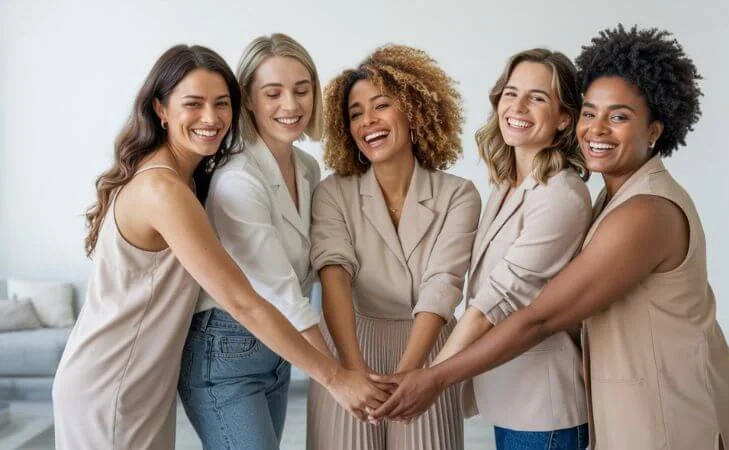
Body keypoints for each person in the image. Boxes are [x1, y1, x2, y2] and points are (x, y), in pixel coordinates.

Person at [372, 25, 729, 450]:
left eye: (620, 116)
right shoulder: (609, 199)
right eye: (591, 113)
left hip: (672, 407)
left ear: (654, 131)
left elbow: (542, 316)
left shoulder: (645, 213)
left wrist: (434, 377)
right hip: (625, 400)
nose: (597, 128)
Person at [52, 44, 388, 450]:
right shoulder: (164, 190)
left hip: (146, 374)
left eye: (221, 103)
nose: (211, 118)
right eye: (193, 104)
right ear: (161, 109)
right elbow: (242, 301)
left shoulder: (190, 179)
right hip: (111, 377)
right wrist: (335, 377)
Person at [306, 44, 480, 450]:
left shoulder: (459, 195)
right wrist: (352, 370)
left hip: (429, 349)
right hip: (350, 340)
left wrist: (409, 374)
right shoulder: (333, 193)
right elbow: (334, 277)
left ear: (414, 110)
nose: (368, 121)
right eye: (355, 113)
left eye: (381, 105)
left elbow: (442, 285)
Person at [176, 33, 333, 450]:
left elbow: (312, 266)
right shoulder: (238, 178)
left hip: (278, 346)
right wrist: (337, 375)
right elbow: (281, 292)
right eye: (274, 93)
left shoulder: (307, 167)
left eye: (302, 90)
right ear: (247, 98)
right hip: (227, 349)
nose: (291, 105)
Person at [429, 48, 591, 450]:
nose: (517, 106)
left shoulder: (561, 196)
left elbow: (493, 301)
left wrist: (430, 378)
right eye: (510, 93)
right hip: (510, 395)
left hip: (543, 406)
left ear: (565, 118)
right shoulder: (505, 184)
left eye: (537, 97)